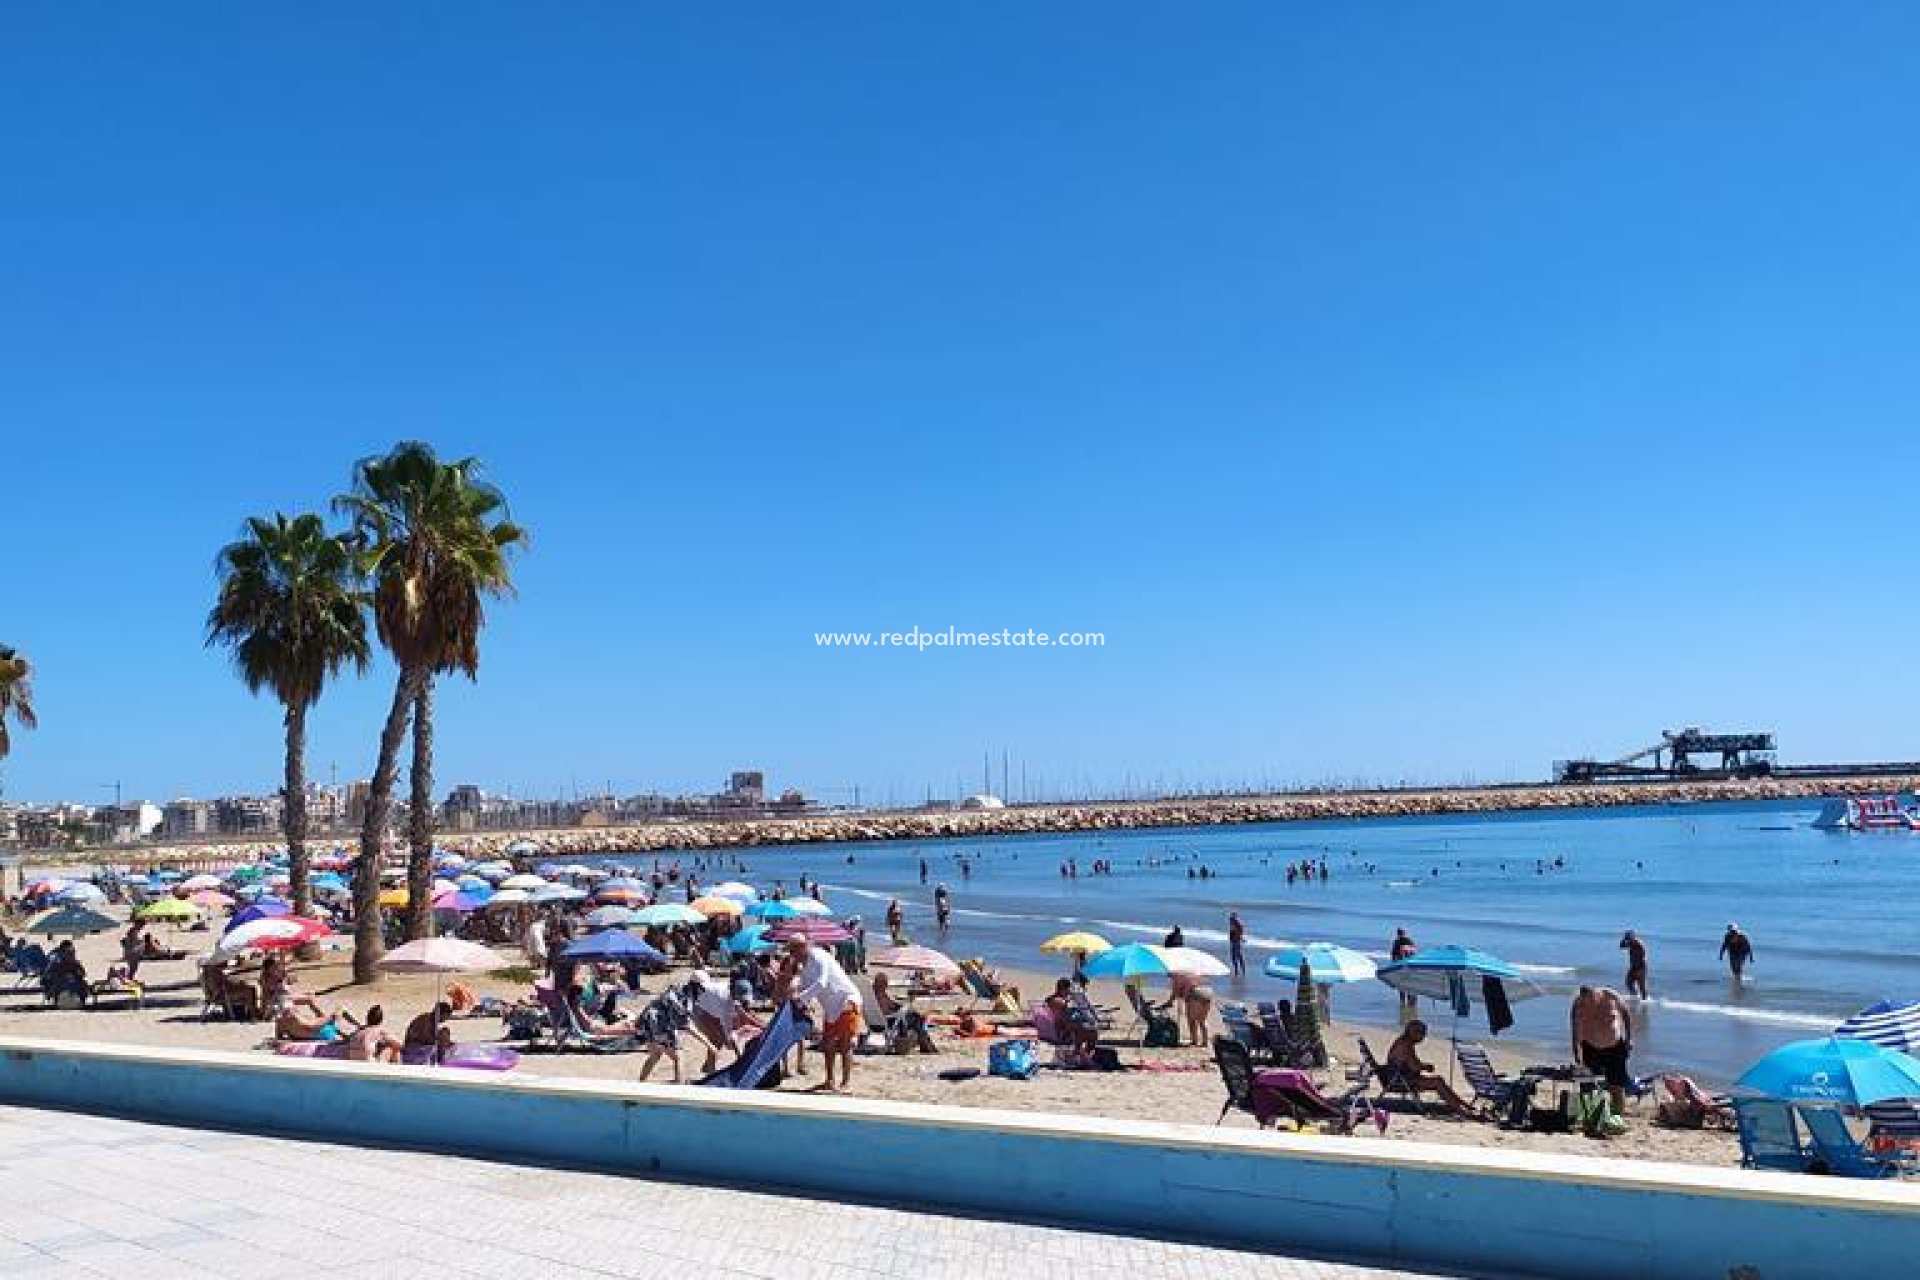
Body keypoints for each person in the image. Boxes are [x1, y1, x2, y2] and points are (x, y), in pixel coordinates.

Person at [786, 937, 862, 1093]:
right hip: (831, 1007)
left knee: (845, 1044)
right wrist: (796, 990)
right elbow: (806, 987)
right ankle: (829, 1080)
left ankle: (846, 1083)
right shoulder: (804, 966)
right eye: (791, 951)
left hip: (846, 999)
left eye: (794, 951)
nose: (792, 955)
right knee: (828, 1045)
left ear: (803, 947)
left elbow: (821, 982)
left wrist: (800, 999)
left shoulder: (818, 956)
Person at [1384, 1020, 1473, 1117]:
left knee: (1439, 1080)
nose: (1423, 1036)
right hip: (1401, 1081)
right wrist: (1425, 1067)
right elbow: (1414, 1067)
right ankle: (1459, 1109)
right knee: (1438, 1082)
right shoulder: (1405, 1046)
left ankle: (1461, 1104)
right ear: (1412, 1032)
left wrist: (1422, 1066)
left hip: (1399, 1078)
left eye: (1424, 1033)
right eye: (1421, 1033)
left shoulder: (1403, 1042)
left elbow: (1412, 1064)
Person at [1570, 985, 1634, 1115]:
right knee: (1588, 1084)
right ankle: (1589, 1114)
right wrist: (1576, 1052)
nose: (1587, 1005)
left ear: (1596, 995)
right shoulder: (1578, 1004)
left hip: (1615, 1047)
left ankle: (1617, 1114)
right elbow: (1574, 1028)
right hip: (1590, 1047)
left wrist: (1629, 1038)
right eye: (1584, 1002)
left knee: (1616, 1084)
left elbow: (1626, 1015)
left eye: (1590, 1001)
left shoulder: (1611, 996)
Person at [872, 971, 937, 1054]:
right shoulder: (881, 995)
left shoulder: (873, 994)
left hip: (876, 1021)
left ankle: (924, 1044)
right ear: (882, 983)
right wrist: (905, 1005)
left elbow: (892, 1005)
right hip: (889, 1021)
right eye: (885, 982)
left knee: (916, 1017)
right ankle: (925, 1045)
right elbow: (891, 1008)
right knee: (916, 1018)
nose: (887, 984)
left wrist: (905, 1003)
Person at [1046, 977, 1099, 1057]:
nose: (1070, 991)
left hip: (1068, 1024)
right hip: (1061, 1028)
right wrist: (1073, 998)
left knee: (1091, 1030)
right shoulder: (1055, 999)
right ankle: (1078, 1053)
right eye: (1069, 989)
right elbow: (1064, 1008)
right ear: (1063, 989)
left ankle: (1084, 1053)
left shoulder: (1061, 999)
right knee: (1087, 1030)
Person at [1165, 970, 1214, 1047]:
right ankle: (1205, 1042)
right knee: (1202, 1020)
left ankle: (1194, 1041)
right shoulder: (1192, 972)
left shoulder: (1176, 978)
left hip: (1195, 994)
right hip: (1208, 992)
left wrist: (1169, 1002)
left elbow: (1175, 993)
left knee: (1191, 1020)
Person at [1390, 927, 1418, 1021]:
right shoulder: (1404, 942)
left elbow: (1393, 957)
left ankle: (1406, 1010)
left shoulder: (1399, 942)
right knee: (1408, 990)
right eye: (1402, 933)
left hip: (1402, 968)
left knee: (1404, 990)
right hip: (1407, 968)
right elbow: (1414, 955)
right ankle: (1410, 1011)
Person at [1620, 930, 1650, 998]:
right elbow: (1621, 946)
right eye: (1627, 937)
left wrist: (1639, 969)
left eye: (1629, 937)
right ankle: (1635, 996)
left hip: (1641, 967)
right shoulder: (1630, 943)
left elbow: (1643, 956)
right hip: (1633, 966)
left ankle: (1645, 1000)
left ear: (1633, 936)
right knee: (1628, 982)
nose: (1628, 939)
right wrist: (1624, 939)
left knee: (1641, 984)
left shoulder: (1639, 944)